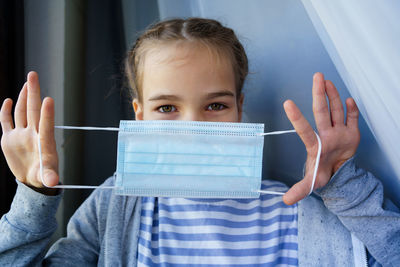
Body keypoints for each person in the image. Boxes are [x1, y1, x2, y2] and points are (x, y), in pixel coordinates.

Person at [0, 18, 399, 266]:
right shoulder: (114, 206)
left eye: (215, 105)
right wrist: (33, 197)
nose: (191, 126)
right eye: (167, 108)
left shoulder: (299, 213)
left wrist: (346, 188)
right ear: (139, 115)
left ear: (239, 109)